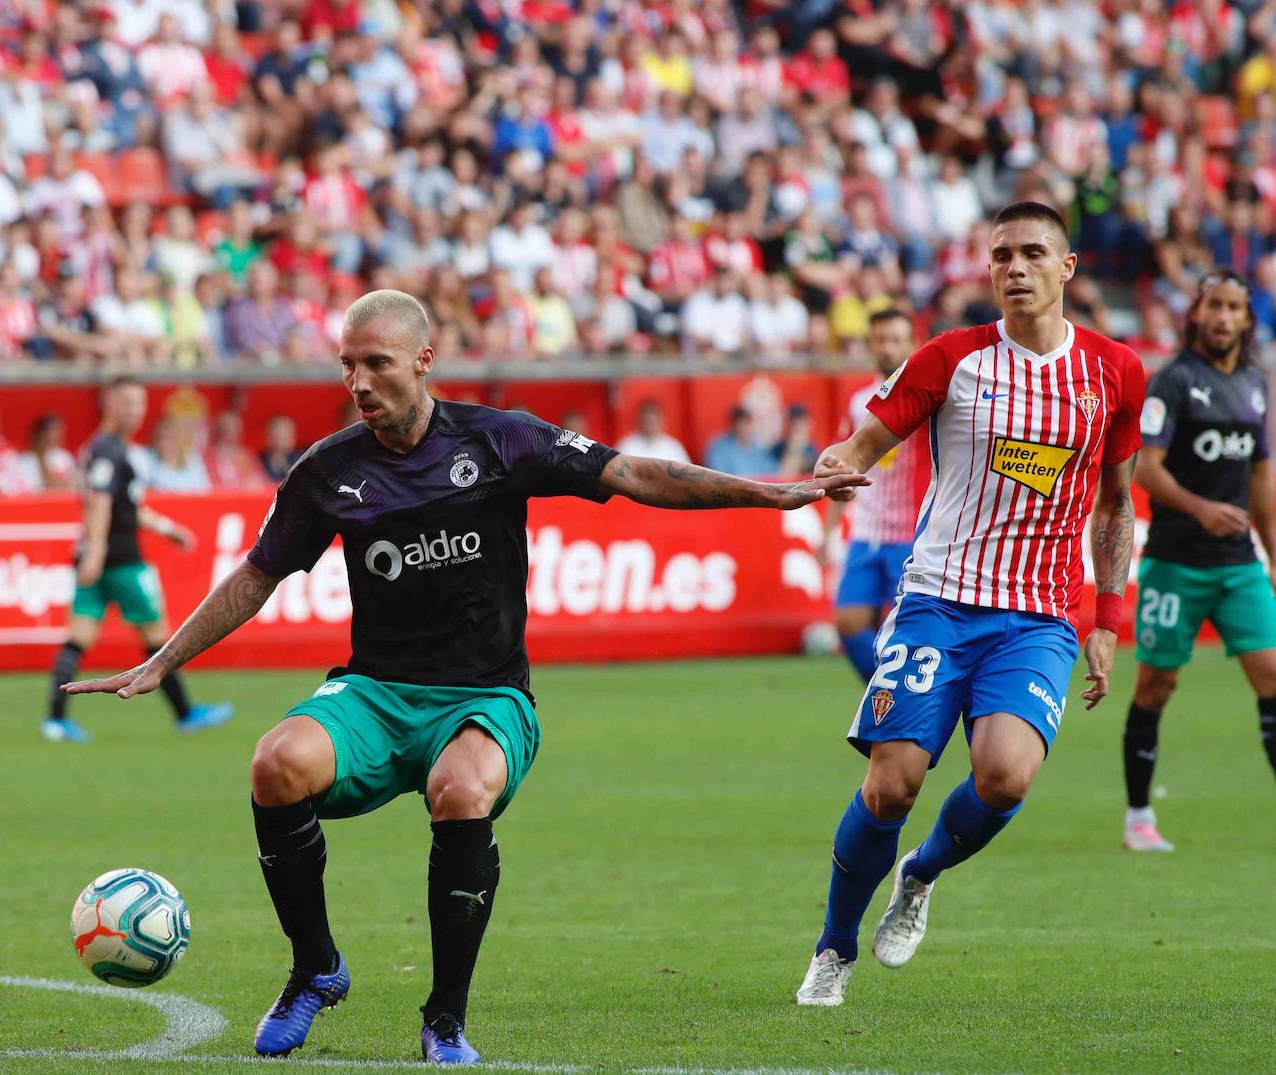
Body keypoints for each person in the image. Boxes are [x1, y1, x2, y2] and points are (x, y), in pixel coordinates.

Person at [64, 290, 865, 1064]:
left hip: (487, 696)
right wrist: (163, 661)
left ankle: (444, 1018)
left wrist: (771, 495)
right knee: (275, 762)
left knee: (461, 788)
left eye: (376, 362)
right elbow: (256, 575)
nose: (358, 383)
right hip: (376, 692)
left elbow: (635, 474)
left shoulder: (499, 440)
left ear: (424, 358)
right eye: (347, 366)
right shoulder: (326, 471)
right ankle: (315, 967)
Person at [794, 202, 1144, 1007]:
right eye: (1000, 256)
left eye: (1031, 253)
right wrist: (839, 463)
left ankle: (919, 874)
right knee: (891, 786)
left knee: (1006, 777)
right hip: (938, 602)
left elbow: (1115, 503)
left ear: (1068, 268)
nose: (1014, 267)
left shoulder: (1115, 372)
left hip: (1039, 615)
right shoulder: (950, 359)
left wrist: (1107, 617)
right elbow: (867, 441)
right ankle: (834, 947)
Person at [1121, 270, 1276, 853]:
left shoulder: (1253, 382)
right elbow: (1145, 467)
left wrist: (1274, 560)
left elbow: (1262, 476)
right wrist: (1200, 509)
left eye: (1234, 309)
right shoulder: (1171, 383)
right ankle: (1139, 817)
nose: (1222, 317)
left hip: (1240, 564)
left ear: (1248, 319)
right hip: (1175, 562)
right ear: (1196, 313)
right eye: (1213, 306)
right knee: (1155, 684)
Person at [44, 377, 233, 743]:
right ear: (110, 405)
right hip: (122, 560)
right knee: (158, 637)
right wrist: (97, 548)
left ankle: (55, 721)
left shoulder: (110, 449)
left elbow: (125, 506)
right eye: (127, 403)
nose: (135, 411)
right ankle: (185, 713)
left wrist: (165, 527)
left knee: (79, 636)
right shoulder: (106, 450)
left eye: (140, 403)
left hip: (100, 556)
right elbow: (98, 501)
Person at [820, 309, 931, 682]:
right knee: (848, 621)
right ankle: (885, 693)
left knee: (907, 634)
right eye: (881, 340)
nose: (888, 348)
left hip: (912, 536)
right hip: (866, 533)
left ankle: (901, 700)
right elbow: (841, 467)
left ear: (911, 344)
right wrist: (828, 532)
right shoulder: (858, 402)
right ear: (871, 345)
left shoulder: (929, 398)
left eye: (896, 340)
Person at [705, 405, 778, 476]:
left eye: (748, 422)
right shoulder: (719, 447)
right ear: (733, 424)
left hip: (759, 488)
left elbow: (773, 474)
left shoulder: (758, 448)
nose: (745, 427)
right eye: (741, 422)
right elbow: (718, 477)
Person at [616, 399, 690, 463]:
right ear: (639, 421)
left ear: (662, 421)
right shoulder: (627, 446)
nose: (650, 426)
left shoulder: (673, 447)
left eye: (654, 422)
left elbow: (686, 473)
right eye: (647, 421)